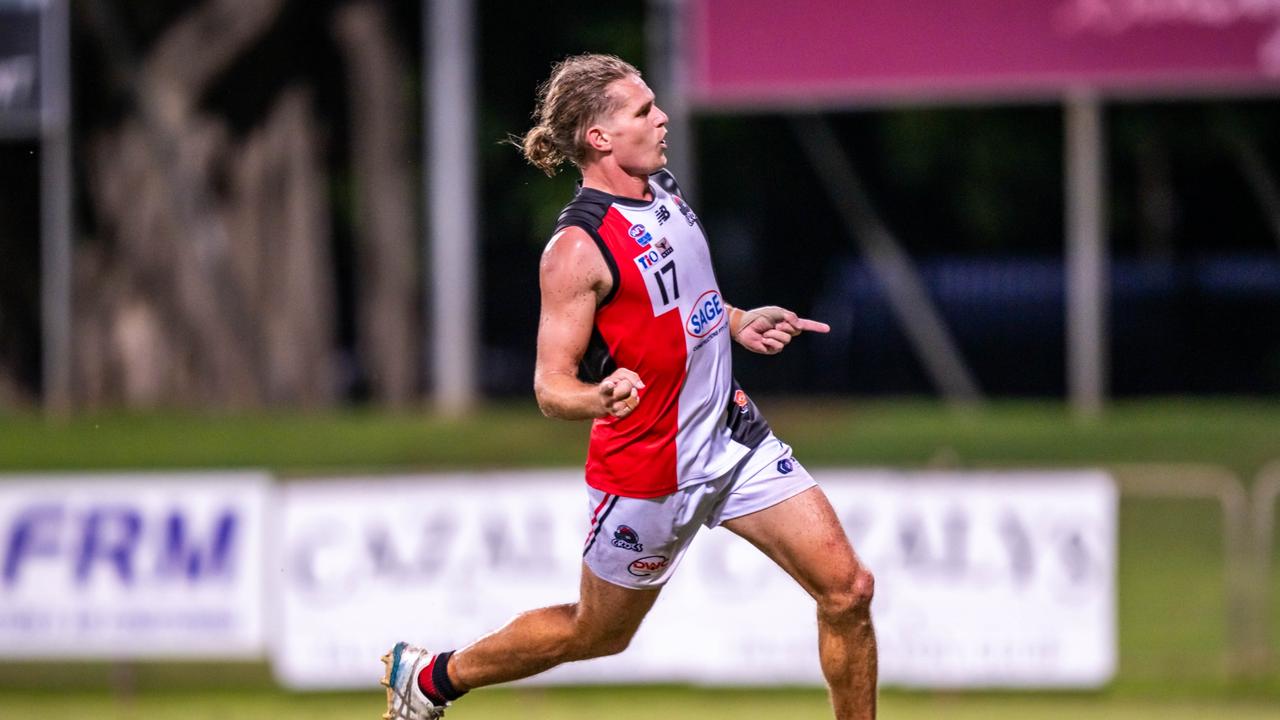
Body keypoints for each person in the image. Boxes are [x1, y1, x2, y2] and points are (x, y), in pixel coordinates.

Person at [381, 53, 877, 720]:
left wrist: (735, 321)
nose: (662, 116)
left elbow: (680, 301)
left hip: (733, 440)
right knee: (599, 632)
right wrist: (598, 397)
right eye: (643, 110)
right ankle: (432, 678)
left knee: (848, 591)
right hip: (646, 470)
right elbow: (550, 386)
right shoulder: (576, 249)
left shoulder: (665, 189)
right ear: (600, 137)